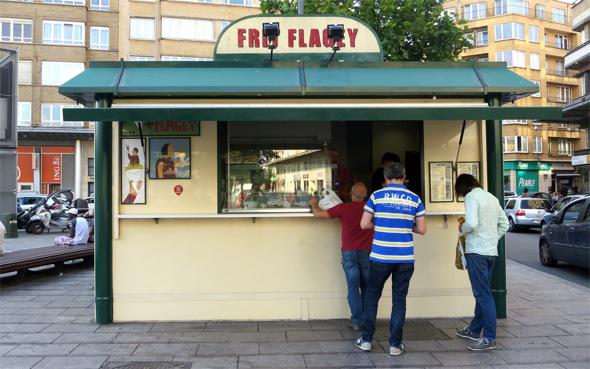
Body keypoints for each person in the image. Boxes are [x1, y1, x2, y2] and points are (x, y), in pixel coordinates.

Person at [355, 162, 426, 356]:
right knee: (399, 300)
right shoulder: (414, 198)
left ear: (385, 178)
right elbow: (421, 229)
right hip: (404, 258)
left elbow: (363, 224)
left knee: (372, 297)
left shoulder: (376, 196)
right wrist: (405, 227)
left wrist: (379, 224)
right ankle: (395, 345)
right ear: (404, 177)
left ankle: (367, 340)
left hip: (380, 256)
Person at [454, 174, 509, 351]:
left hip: (476, 252)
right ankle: (474, 329)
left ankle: (489, 338)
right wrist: (492, 239)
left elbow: (471, 223)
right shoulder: (491, 197)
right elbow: (505, 224)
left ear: (462, 187)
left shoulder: (471, 197)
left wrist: (462, 229)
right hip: (491, 252)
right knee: (483, 292)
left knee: (483, 295)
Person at [309, 183, 374, 331]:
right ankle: (367, 320)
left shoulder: (344, 208)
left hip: (349, 252)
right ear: (366, 195)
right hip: (368, 252)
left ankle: (357, 321)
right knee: (367, 287)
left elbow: (318, 214)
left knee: (353, 287)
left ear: (350, 193)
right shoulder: (372, 209)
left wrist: (313, 203)